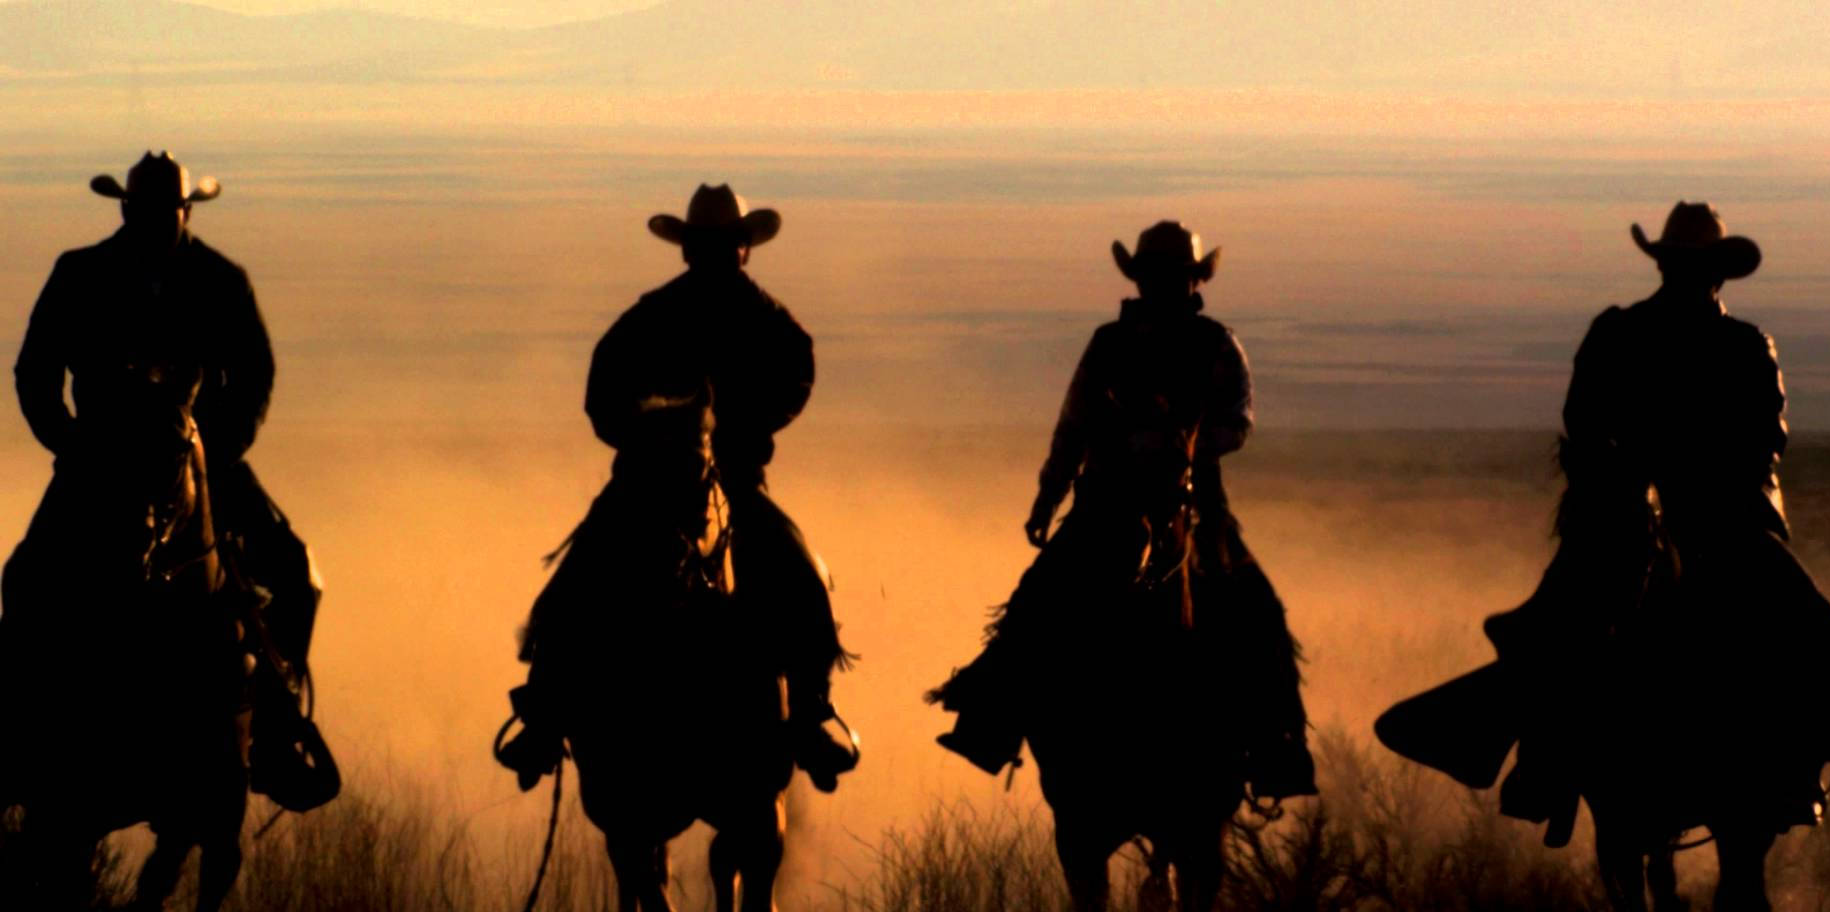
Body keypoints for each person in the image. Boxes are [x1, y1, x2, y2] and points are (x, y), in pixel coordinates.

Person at [1466, 202, 1830, 845]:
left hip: (1726, 519)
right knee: (1549, 629)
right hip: (1625, 515)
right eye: (1681, 263)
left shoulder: (1743, 345)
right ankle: (1545, 768)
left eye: (1697, 265)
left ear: (1716, 274)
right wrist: (1621, 480)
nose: (1689, 275)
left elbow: (1766, 437)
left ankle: (1793, 769)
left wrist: (1695, 476)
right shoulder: (1619, 334)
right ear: (1668, 265)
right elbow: (1583, 423)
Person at [930, 221, 1315, 803]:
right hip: (1103, 501)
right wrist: (1048, 493)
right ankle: (989, 721)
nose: (1165, 286)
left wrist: (1182, 444)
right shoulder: (1107, 343)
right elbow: (1075, 423)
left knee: (1258, 609)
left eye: (1176, 277)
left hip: (1195, 504)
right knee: (1037, 595)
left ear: (1192, 281)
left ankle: (1277, 747)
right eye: (1156, 276)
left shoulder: (1217, 344)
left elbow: (1238, 422)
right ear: (1142, 279)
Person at [497, 183, 857, 793]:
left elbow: (796, 377)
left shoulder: (761, 321)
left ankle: (808, 712)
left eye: (727, 243)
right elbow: (603, 395)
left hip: (734, 483)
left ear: (742, 249)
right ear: (694, 250)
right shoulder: (658, 316)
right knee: (572, 585)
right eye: (710, 244)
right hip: (646, 481)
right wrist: (646, 437)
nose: (719, 253)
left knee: (801, 576)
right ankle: (547, 714)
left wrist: (736, 432)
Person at [6, 151, 332, 809]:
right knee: (25, 578)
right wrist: (69, 442)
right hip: (96, 461)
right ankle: (18, 734)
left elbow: (254, 375)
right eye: (149, 210)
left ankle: (272, 733)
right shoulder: (80, 273)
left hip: (199, 462)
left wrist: (216, 451)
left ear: (185, 211)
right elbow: (34, 371)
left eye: (169, 210)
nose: (160, 220)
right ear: (127, 210)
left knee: (294, 572)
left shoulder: (220, 279)